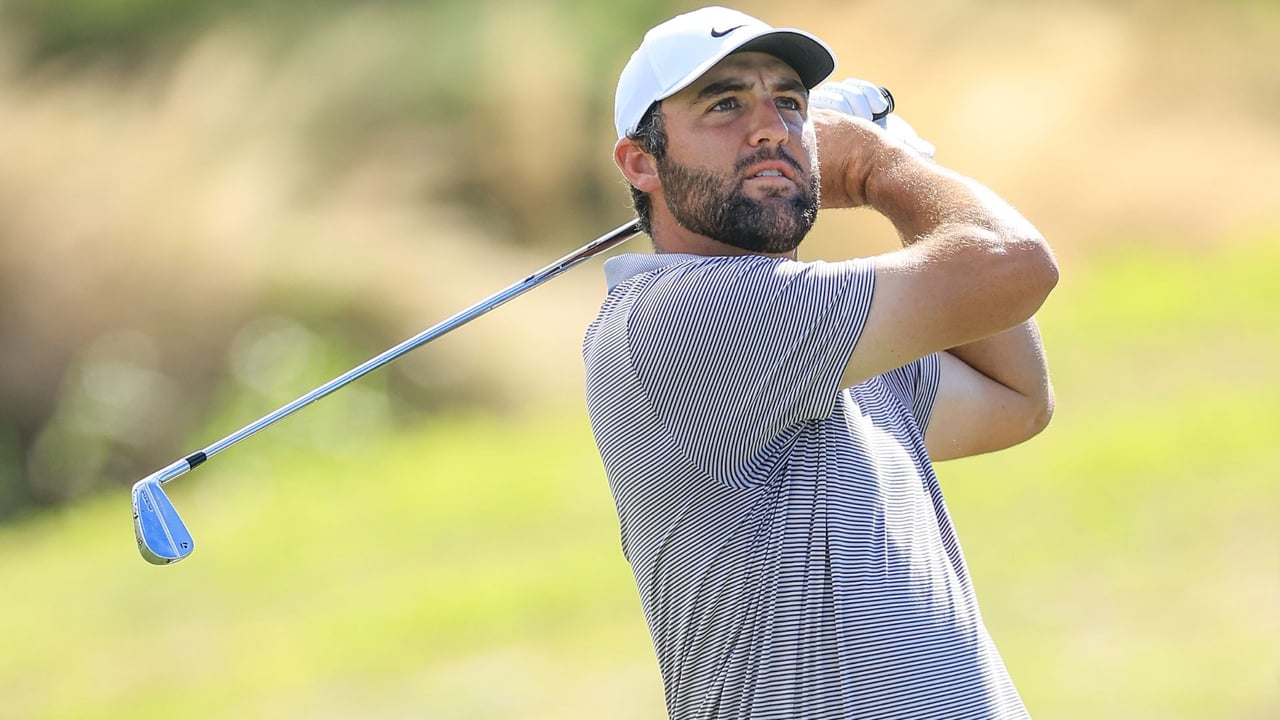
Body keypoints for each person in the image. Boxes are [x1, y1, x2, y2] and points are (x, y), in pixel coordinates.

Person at [582, 6, 1058, 719]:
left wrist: (903, 170)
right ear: (641, 162)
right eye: (724, 105)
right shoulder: (690, 315)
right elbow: (1014, 267)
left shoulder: (821, 337)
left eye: (790, 104)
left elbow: (1015, 399)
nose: (770, 128)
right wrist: (882, 166)